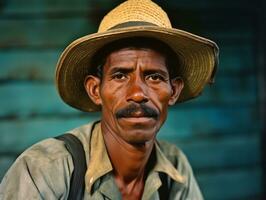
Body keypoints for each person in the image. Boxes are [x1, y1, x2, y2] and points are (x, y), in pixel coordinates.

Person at [0, 0, 218, 199]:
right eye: (120, 75)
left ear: (174, 91)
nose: (138, 94)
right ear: (95, 90)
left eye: (154, 77)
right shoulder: (45, 170)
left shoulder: (175, 169)